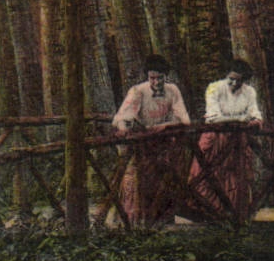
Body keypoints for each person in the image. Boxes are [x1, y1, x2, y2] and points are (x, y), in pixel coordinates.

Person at [112, 54, 192, 227]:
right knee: (137, 181)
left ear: (166, 77)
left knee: (165, 179)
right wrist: (125, 128)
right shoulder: (138, 91)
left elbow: (185, 120)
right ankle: (134, 223)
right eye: (152, 78)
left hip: (163, 143)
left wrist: (165, 126)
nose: (156, 82)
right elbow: (123, 117)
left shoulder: (173, 90)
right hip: (142, 144)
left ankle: (162, 221)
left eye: (160, 78)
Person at [188, 58, 265, 222]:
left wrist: (250, 120)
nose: (234, 83)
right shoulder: (214, 88)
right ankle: (207, 212)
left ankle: (233, 215)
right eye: (231, 79)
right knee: (207, 173)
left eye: (239, 80)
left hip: (238, 140)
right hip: (216, 137)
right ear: (226, 76)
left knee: (237, 175)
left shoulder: (249, 92)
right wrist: (242, 119)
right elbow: (214, 116)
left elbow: (255, 114)